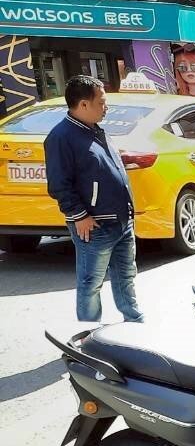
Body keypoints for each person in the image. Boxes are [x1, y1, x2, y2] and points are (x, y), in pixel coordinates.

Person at [44, 75, 142, 323]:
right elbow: (58, 184)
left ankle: (134, 323)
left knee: (126, 276)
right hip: (95, 225)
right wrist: (79, 216)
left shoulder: (96, 130)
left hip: (121, 220)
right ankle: (88, 336)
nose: (106, 107)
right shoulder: (61, 137)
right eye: (101, 102)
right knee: (91, 284)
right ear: (83, 104)